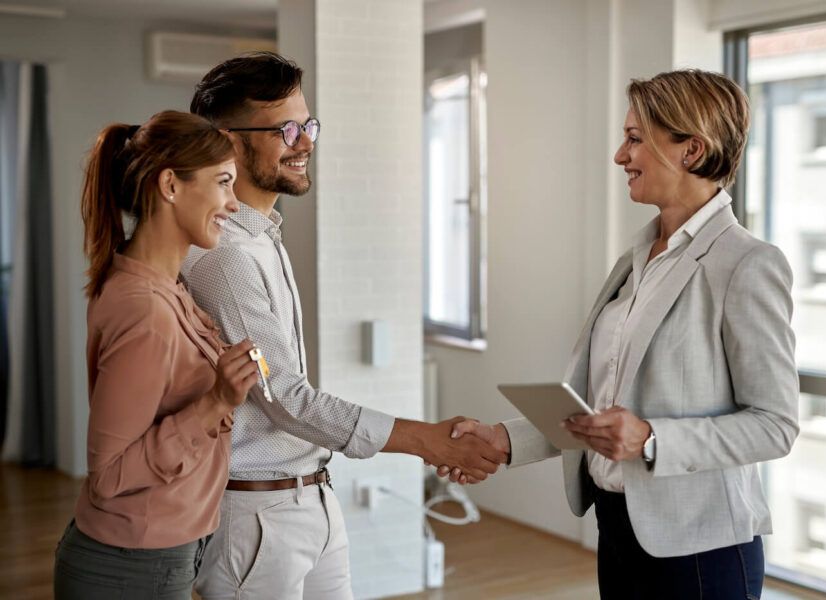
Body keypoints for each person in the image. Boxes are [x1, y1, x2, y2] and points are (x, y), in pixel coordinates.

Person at [442, 69, 800, 599]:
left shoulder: (747, 264)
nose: (619, 156)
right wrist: (505, 438)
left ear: (691, 150)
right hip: (619, 529)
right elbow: (599, 409)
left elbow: (775, 425)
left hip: (699, 549)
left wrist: (652, 439)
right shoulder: (637, 259)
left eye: (635, 139)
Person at [182, 52, 507, 599]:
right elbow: (284, 396)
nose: (306, 142)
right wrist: (425, 439)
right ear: (227, 141)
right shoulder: (227, 257)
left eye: (307, 125)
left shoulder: (262, 238)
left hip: (311, 495)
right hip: (256, 515)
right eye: (286, 129)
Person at [54, 111, 261, 600]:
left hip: (156, 555)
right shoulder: (146, 308)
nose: (233, 204)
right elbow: (109, 475)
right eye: (223, 183)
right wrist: (216, 402)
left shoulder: (165, 287)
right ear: (170, 185)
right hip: (132, 566)